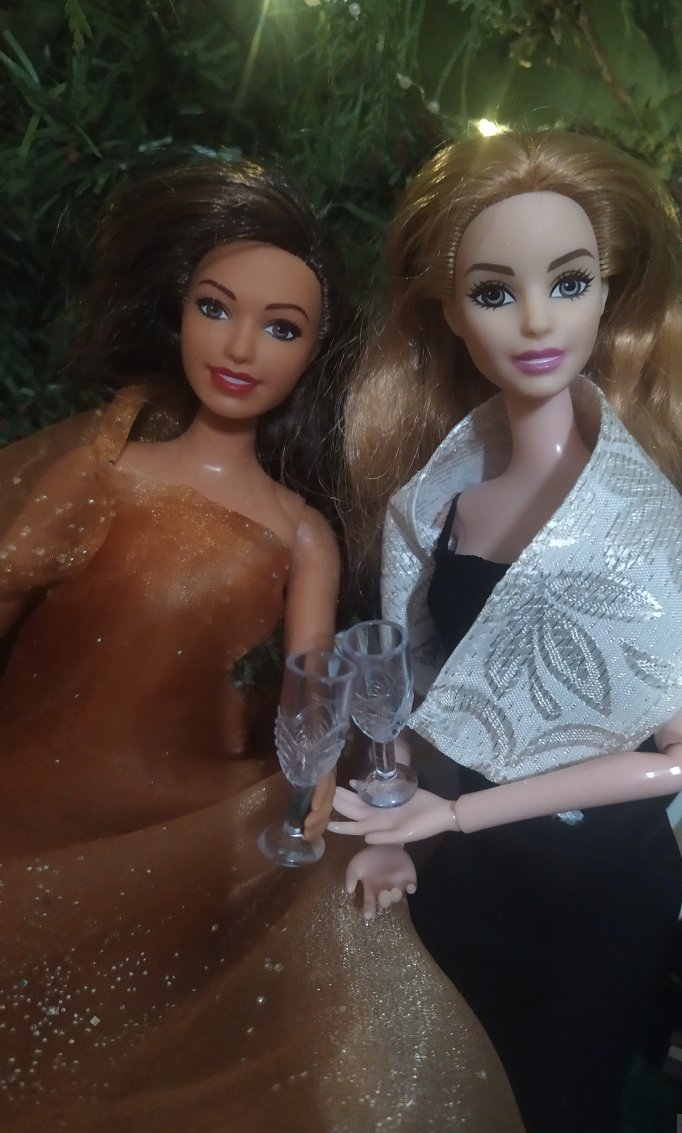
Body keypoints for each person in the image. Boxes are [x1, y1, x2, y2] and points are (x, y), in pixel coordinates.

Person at [0, 161, 524, 1132]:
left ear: (315, 353)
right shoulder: (101, 466)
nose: (241, 347)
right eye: (215, 308)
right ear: (178, 313)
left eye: (281, 328)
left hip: (172, 811)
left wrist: (311, 789)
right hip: (27, 784)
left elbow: (306, 687)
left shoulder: (300, 532)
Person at [332, 129, 682, 1132]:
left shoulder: (637, 521)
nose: (538, 319)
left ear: (608, 295)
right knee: (431, 1088)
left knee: (549, 1100)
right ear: (450, 312)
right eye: (494, 291)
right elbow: (421, 687)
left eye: (570, 282)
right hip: (461, 868)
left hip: (589, 889)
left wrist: (453, 816)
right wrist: (401, 822)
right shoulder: (443, 502)